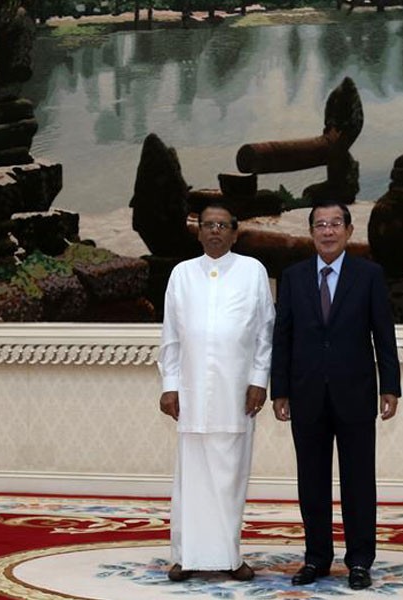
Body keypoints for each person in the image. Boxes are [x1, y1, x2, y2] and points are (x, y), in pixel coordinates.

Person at [271, 202, 401, 590]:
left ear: (348, 230)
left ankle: (360, 560)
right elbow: (283, 337)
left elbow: (384, 334)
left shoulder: (369, 275)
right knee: (311, 481)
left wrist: (390, 385)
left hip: (356, 393)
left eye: (335, 224)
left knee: (359, 481)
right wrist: (280, 389)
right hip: (306, 393)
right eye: (320, 225)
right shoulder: (293, 277)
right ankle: (316, 558)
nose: (328, 231)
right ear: (311, 231)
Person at [158, 204, 275, 582]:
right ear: (198, 232)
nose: (215, 231)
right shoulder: (182, 274)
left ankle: (229, 556)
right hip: (190, 395)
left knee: (230, 477)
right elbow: (171, 336)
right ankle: (184, 557)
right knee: (189, 479)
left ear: (235, 233)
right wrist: (169, 386)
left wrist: (259, 380)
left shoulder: (252, 271)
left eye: (223, 225)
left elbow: (264, 333)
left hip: (237, 394)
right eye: (208, 225)